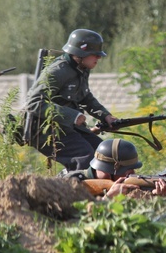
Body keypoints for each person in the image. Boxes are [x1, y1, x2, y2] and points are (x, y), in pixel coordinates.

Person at [25, 29, 118, 171]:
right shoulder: (58, 71)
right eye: (95, 54)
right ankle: (76, 191)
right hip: (45, 129)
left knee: (106, 154)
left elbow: (85, 97)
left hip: (67, 127)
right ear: (80, 54)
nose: (98, 58)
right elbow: (34, 103)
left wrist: (105, 116)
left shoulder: (82, 68)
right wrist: (73, 116)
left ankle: (109, 191)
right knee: (85, 159)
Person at [62, 138, 142, 198]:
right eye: (128, 170)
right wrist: (109, 197)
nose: (133, 174)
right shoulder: (71, 182)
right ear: (109, 171)